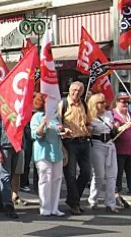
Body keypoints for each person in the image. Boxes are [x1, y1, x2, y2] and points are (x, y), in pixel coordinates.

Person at [87, 93, 125, 213]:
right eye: (101, 102)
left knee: (112, 175)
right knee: (99, 174)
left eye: (104, 102)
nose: (104, 104)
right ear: (95, 104)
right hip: (97, 144)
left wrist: (116, 127)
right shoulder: (90, 117)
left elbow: (112, 128)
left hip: (109, 144)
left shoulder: (108, 114)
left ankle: (110, 203)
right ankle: (93, 199)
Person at [58, 81, 91, 215]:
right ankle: (74, 203)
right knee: (70, 174)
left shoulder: (83, 104)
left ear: (82, 92)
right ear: (69, 90)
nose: (76, 93)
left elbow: (88, 121)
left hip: (84, 141)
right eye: (74, 90)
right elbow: (57, 122)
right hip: (69, 142)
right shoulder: (63, 104)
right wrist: (63, 130)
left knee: (87, 173)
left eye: (79, 90)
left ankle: (72, 199)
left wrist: (89, 127)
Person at [30, 93, 66, 217]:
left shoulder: (56, 117)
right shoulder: (37, 116)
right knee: (45, 179)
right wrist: (43, 123)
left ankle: (54, 208)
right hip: (43, 152)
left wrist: (64, 132)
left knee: (57, 179)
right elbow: (36, 135)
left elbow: (59, 130)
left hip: (56, 152)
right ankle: (45, 207)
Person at [0, 104, 20, 219]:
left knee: (9, 176)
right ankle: (8, 206)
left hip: (17, 143)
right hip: (4, 144)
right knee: (5, 175)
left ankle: (0, 202)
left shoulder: (17, 103)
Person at [113, 92, 131, 208]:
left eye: (127, 101)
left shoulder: (129, 114)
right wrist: (119, 128)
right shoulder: (113, 115)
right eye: (122, 101)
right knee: (118, 174)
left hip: (130, 150)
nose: (125, 103)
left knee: (130, 174)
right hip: (118, 151)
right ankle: (116, 196)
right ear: (116, 102)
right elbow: (112, 133)